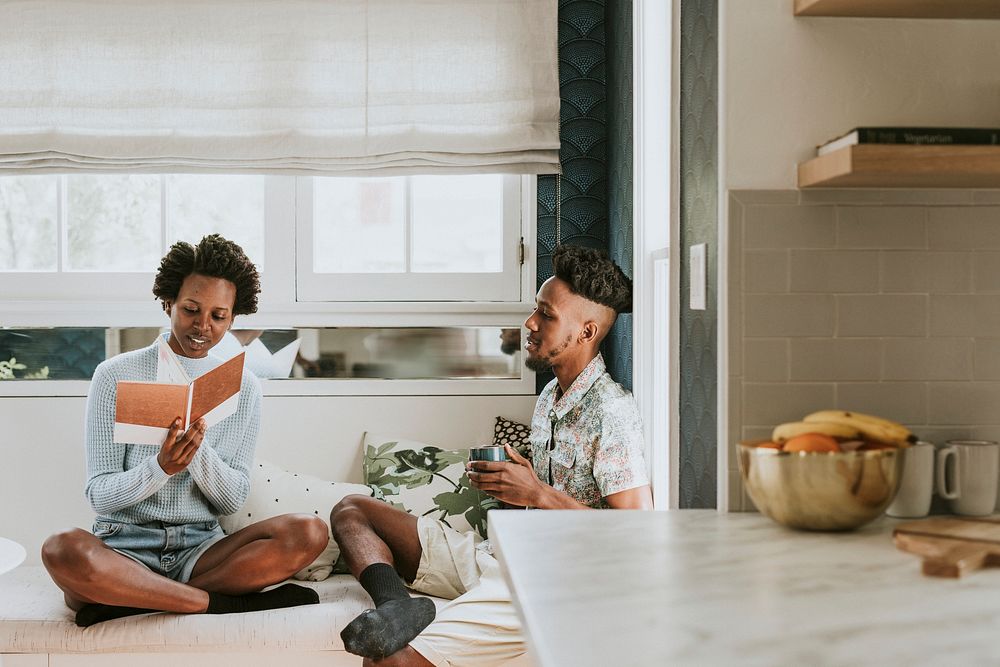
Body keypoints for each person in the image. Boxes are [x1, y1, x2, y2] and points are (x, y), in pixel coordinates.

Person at [330, 244, 653, 666]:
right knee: (352, 509)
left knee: (389, 660)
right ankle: (397, 606)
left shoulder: (612, 411)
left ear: (587, 332)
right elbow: (547, 495)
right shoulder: (551, 396)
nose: (530, 323)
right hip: (498, 552)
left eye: (547, 315)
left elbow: (637, 537)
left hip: (548, 580)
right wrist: (513, 483)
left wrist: (536, 493)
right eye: (536, 309)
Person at [41, 234, 329, 627]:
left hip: (200, 549)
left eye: (218, 316)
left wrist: (197, 453)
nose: (202, 327)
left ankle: (140, 601)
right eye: (191, 309)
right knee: (62, 548)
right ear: (168, 303)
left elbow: (233, 499)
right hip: (123, 547)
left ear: (233, 317)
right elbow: (100, 494)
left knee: (308, 531)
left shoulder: (244, 388)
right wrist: (160, 468)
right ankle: (216, 602)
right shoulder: (115, 375)